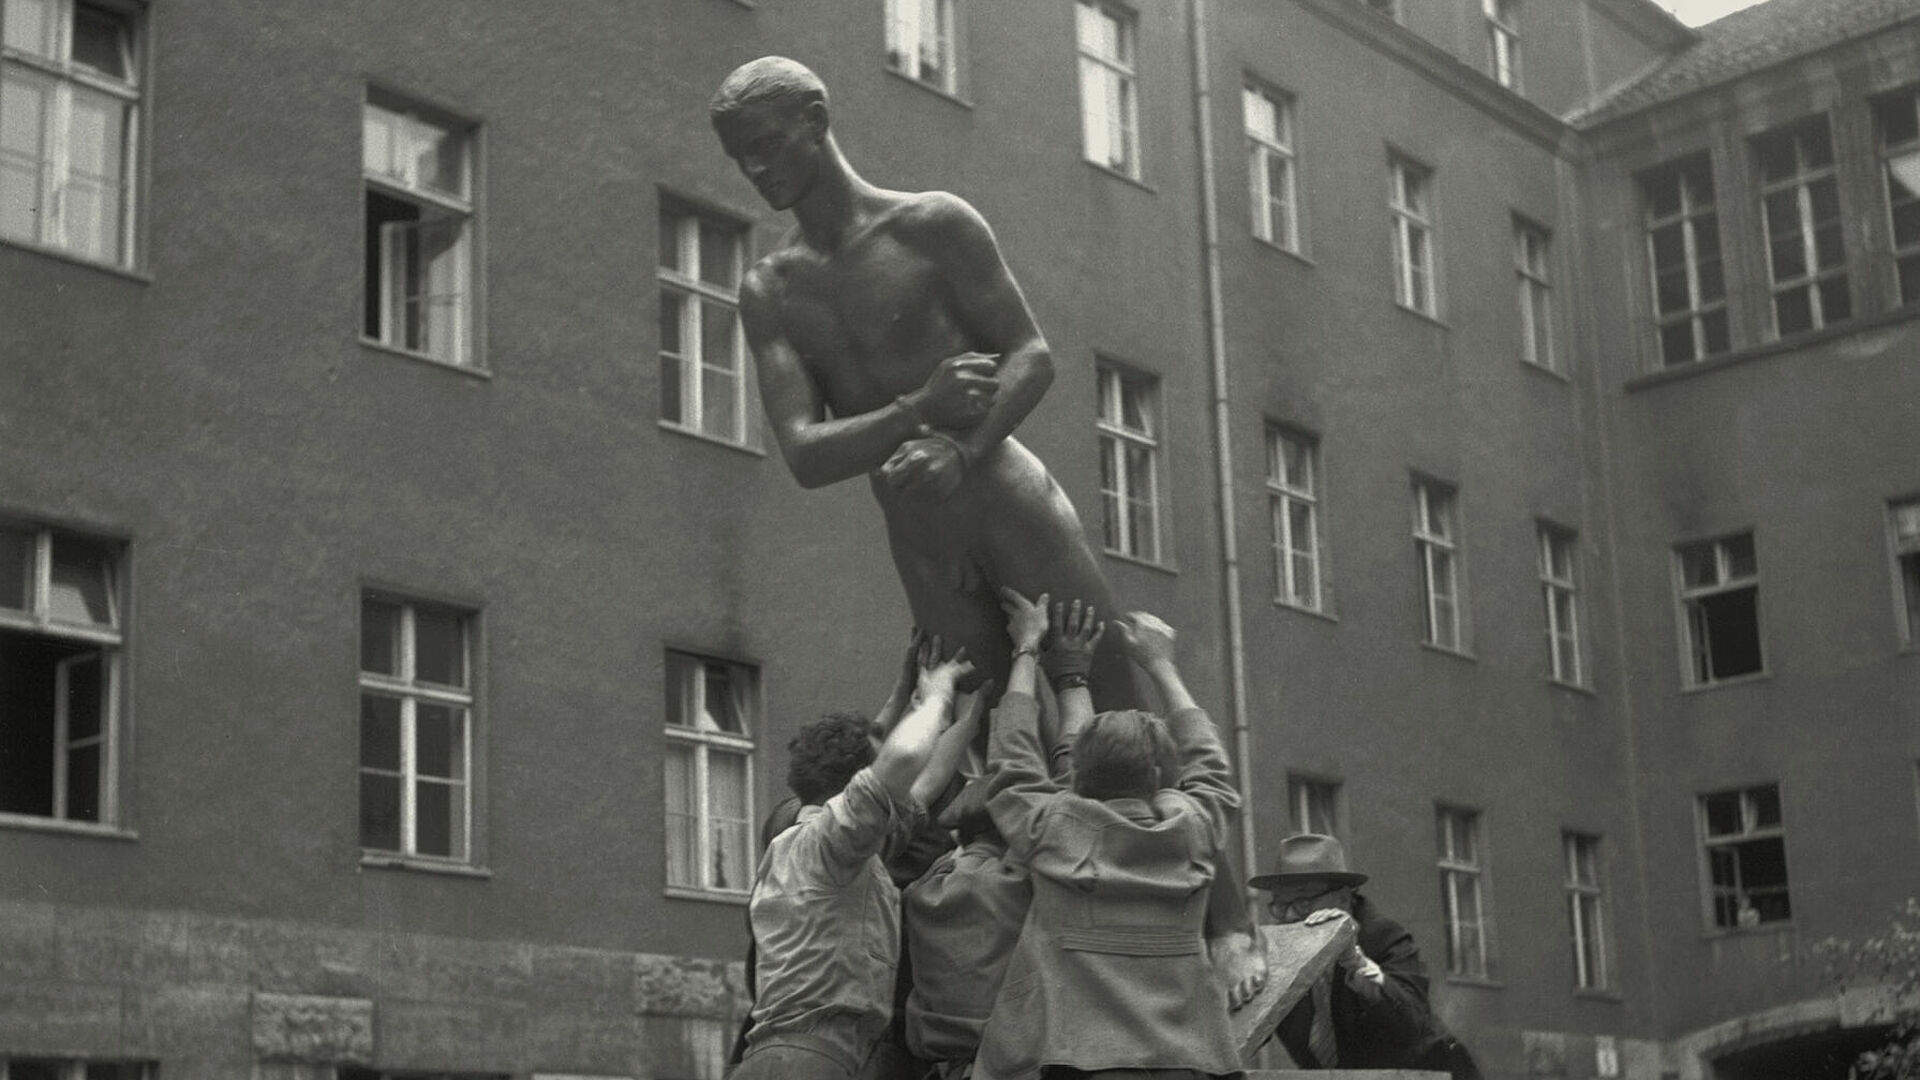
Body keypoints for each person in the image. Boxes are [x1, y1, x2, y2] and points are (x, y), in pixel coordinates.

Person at [706, 55, 1138, 712]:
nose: (756, 169)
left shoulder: (933, 225)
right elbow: (804, 454)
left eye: (766, 144)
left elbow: (1031, 355)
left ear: (815, 121)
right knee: (973, 755)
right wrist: (919, 410)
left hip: (1011, 505)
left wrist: (963, 450)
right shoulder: (772, 291)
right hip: (923, 544)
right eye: (741, 157)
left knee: (1118, 719)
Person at [973, 594, 1244, 1080]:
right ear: (1161, 774)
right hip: (1188, 1063)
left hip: (1082, 1061)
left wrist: (1026, 649)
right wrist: (1161, 665)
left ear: (1077, 774)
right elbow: (1210, 763)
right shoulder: (1194, 829)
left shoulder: (1052, 829)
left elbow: (1011, 758)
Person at [733, 644, 979, 1080]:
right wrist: (938, 697)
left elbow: (920, 791)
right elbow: (901, 760)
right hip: (811, 1063)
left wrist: (969, 716)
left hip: (789, 1058)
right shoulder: (830, 845)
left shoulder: (830, 853)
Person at [900, 594, 1103, 1079]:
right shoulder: (1027, 882)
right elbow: (1076, 775)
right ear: (1017, 828)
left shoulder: (923, 886)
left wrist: (937, 709)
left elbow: (910, 794)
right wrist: (1063, 667)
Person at [1249, 833, 1482, 1079]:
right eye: (1279, 904)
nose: (1288, 917)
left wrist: (1361, 969)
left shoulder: (1382, 936)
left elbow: (1412, 1024)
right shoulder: (1274, 953)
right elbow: (1243, 1035)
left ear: (1343, 897)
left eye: (1303, 902)